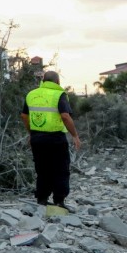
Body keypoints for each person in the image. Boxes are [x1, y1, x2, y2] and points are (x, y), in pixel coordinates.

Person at [20, 70, 81, 207]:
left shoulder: (31, 94)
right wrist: (75, 136)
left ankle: (42, 199)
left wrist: (31, 134)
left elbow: (24, 116)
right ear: (57, 81)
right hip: (56, 139)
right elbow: (65, 116)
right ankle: (59, 201)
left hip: (37, 139)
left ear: (43, 81)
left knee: (42, 170)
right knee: (61, 169)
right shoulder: (59, 94)